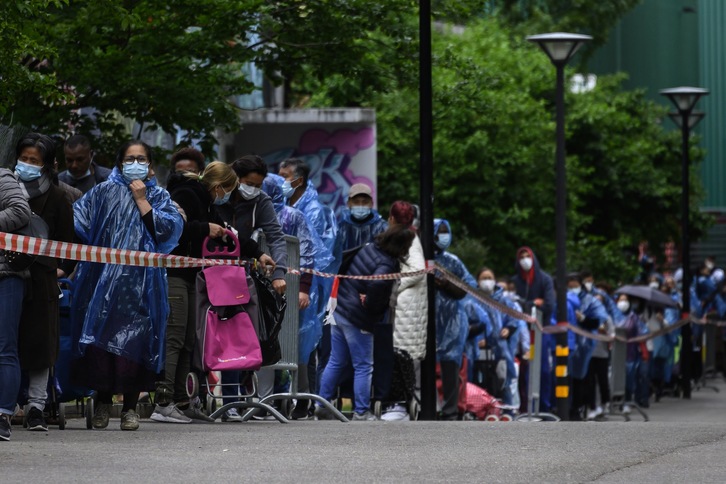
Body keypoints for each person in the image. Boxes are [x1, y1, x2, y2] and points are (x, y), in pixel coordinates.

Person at [71, 140, 184, 431]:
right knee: (101, 344)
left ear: (149, 164)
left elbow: (169, 232)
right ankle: (104, 402)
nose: (136, 163)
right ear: (121, 162)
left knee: (137, 346)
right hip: (102, 283)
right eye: (130, 158)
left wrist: (143, 201)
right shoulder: (102, 192)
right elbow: (78, 223)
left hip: (142, 286)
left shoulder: (158, 196)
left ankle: (131, 409)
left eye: (141, 158)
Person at [151, 161, 268, 424]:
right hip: (174, 275)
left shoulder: (206, 202)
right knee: (174, 337)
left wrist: (259, 252)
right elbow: (172, 229)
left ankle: (182, 401)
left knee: (189, 340)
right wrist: (205, 229)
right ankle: (163, 401)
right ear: (218, 187)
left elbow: (228, 233)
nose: (227, 196)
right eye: (228, 190)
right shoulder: (186, 194)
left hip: (193, 277)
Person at [315, 224, 415, 421]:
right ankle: (361, 411)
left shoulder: (370, 247)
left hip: (339, 309)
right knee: (363, 365)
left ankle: (321, 404)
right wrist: (370, 303)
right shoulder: (387, 264)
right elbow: (378, 285)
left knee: (336, 360)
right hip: (358, 318)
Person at [218, 155, 287, 422]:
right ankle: (195, 399)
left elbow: (276, 238)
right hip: (209, 274)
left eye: (257, 185)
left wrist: (278, 273)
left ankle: (232, 402)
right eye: (248, 183)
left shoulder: (261, 201)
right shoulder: (217, 196)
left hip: (240, 279)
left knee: (236, 338)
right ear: (233, 177)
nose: (252, 190)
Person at [14, 133, 74, 432]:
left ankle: (36, 406)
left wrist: (59, 270)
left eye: (33, 161)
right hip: (8, 277)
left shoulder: (59, 196)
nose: (26, 165)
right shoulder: (6, 190)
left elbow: (69, 245)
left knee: (40, 345)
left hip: (43, 281)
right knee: (8, 342)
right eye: (23, 159)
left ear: (47, 165)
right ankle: (8, 403)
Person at [261, 173, 334, 420]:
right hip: (264, 288)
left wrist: (303, 288)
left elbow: (308, 253)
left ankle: (300, 400)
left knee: (296, 347)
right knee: (266, 340)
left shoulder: (293, 217)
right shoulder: (256, 213)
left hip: (291, 290)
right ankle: (266, 400)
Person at [433, 219, 478, 420]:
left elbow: (469, 284)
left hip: (452, 322)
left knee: (450, 367)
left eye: (445, 231)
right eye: (439, 231)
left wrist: (447, 284)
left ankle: (450, 410)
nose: (443, 236)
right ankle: (430, 407)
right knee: (426, 368)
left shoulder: (453, 261)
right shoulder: (421, 260)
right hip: (428, 320)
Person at [0, 167, 32, 441]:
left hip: (6, 276)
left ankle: (3, 416)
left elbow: (21, 211)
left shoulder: (3, 177)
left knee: (5, 347)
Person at [389, 202, 428, 418]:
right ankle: (406, 401)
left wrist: (395, 286)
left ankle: (404, 402)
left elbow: (416, 270)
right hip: (409, 305)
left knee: (405, 356)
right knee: (406, 355)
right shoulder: (409, 236)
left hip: (407, 305)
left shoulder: (410, 238)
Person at [513, 246, 555, 412]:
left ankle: (544, 407)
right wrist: (533, 304)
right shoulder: (516, 281)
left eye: (527, 255)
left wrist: (527, 305)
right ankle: (525, 407)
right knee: (522, 370)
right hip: (521, 330)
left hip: (539, 331)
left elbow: (549, 305)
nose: (524, 259)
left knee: (543, 369)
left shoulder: (545, 279)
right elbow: (513, 304)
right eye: (521, 256)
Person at [476, 268, 521, 414]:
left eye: (490, 277)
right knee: (479, 380)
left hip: (500, 349)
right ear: (477, 281)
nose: (487, 281)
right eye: (484, 278)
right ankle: (481, 411)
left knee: (503, 380)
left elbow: (513, 318)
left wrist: (508, 329)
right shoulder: (473, 299)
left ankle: (508, 411)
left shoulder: (503, 301)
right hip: (478, 349)